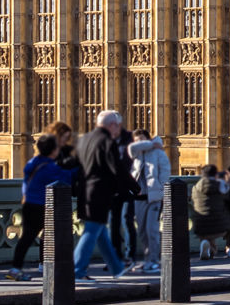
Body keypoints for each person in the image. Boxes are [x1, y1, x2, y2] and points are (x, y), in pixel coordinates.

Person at [75, 110, 136, 279]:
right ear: (112, 125)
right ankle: (76, 270)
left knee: (100, 231)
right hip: (99, 194)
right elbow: (117, 169)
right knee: (91, 231)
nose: (119, 129)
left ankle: (116, 268)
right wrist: (134, 187)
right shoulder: (106, 141)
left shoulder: (84, 139)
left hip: (84, 193)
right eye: (117, 126)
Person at [11, 131, 66, 280]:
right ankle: (50, 266)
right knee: (51, 235)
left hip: (28, 203)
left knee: (27, 238)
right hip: (42, 205)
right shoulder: (50, 168)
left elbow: (26, 181)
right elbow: (66, 178)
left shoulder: (32, 163)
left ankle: (16, 268)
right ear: (53, 150)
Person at [129, 123, 169, 273]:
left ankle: (154, 260)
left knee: (151, 229)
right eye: (137, 141)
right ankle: (148, 260)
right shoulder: (136, 154)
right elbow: (131, 149)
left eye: (142, 140)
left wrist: (160, 190)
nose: (139, 143)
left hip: (154, 197)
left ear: (148, 139)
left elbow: (165, 174)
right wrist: (150, 143)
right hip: (138, 198)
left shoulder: (159, 154)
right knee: (142, 232)